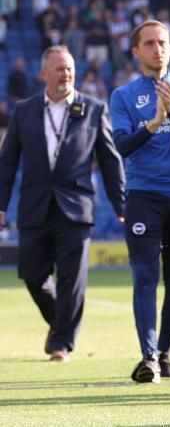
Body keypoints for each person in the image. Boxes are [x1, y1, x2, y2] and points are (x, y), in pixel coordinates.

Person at [0, 45, 125, 362]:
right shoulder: (24, 110)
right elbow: (7, 162)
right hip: (35, 205)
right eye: (59, 69)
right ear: (44, 74)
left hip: (76, 207)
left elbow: (110, 162)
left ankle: (61, 344)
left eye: (69, 68)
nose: (66, 73)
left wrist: (122, 205)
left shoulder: (94, 108)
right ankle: (61, 325)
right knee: (31, 274)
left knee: (72, 279)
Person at [109, 20, 170, 383]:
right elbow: (122, 146)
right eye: (149, 43)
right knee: (146, 275)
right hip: (143, 195)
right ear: (136, 52)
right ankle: (148, 356)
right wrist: (153, 123)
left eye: (162, 42)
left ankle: (164, 352)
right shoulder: (123, 96)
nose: (157, 49)